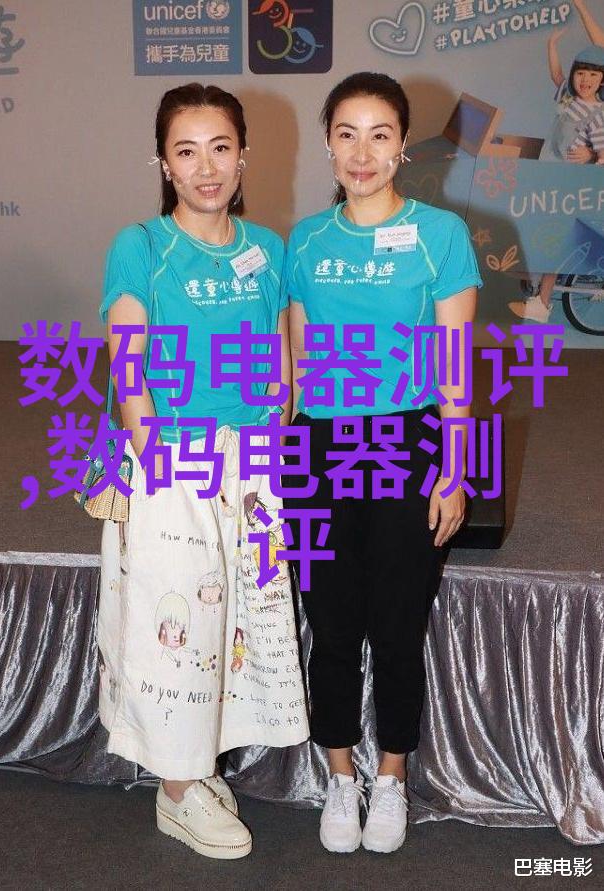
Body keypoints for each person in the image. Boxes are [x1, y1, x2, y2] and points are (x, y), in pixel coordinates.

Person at [97, 82, 309, 860]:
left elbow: (282, 354)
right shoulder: (141, 246)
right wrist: (158, 463)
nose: (206, 167)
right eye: (186, 151)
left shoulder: (268, 249)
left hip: (250, 468)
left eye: (221, 147)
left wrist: (277, 420)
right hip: (175, 465)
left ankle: (193, 769)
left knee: (235, 624)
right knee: (177, 625)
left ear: (243, 154)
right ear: (164, 163)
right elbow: (129, 368)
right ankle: (178, 790)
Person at [283, 72, 481, 855]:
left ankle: (391, 773)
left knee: (398, 625)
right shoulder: (305, 241)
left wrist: (453, 468)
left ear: (403, 146)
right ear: (328, 144)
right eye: (346, 134)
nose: (362, 153)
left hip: (406, 443)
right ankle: (340, 773)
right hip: (319, 448)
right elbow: (295, 365)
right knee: (330, 624)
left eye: (379, 135)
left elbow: (456, 362)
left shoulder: (441, 235)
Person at [510, 29, 604, 322]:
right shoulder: (567, 99)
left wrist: (591, 156)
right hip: (548, 176)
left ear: (602, 80)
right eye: (581, 74)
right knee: (535, 228)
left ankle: (542, 304)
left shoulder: (599, 115)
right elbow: (556, 74)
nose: (585, 80)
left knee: (553, 239)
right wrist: (551, 44)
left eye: (593, 75)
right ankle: (532, 284)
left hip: (568, 187)